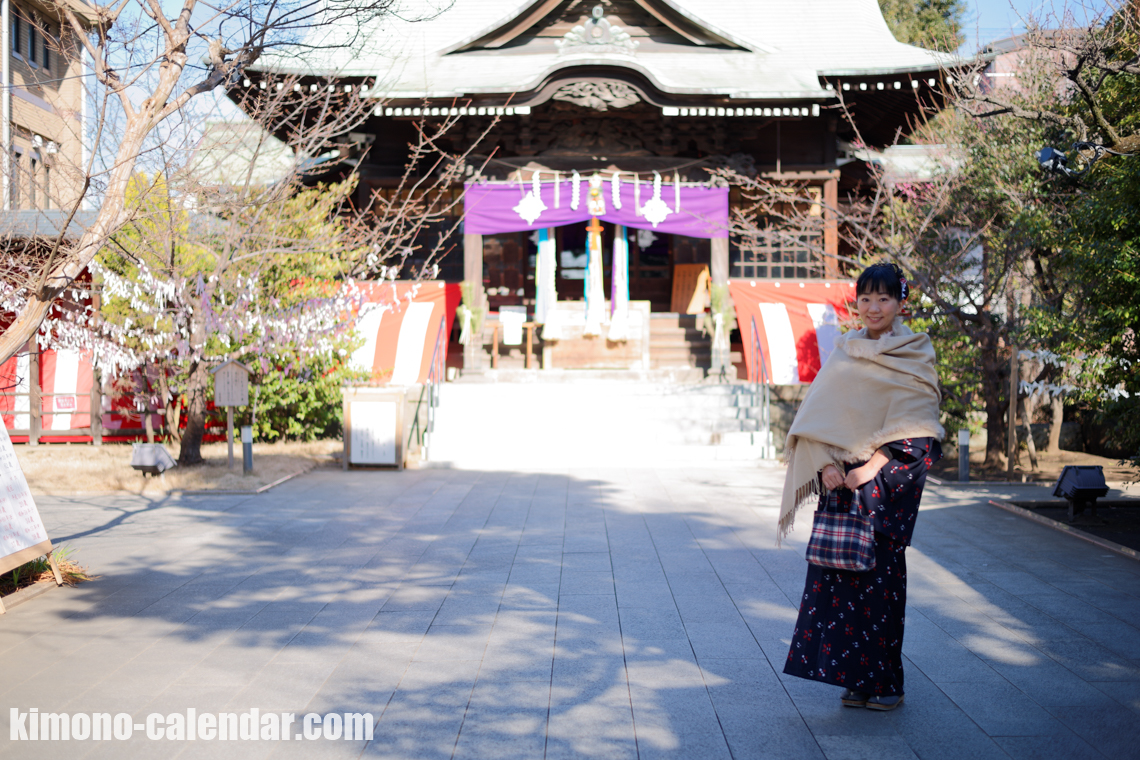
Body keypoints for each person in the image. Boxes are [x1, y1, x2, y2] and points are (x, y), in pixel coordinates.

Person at [779, 262, 943, 711]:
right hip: (839, 488)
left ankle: (887, 685)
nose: (873, 308)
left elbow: (920, 428)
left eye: (884, 299)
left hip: (881, 490)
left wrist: (872, 466)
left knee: (879, 592)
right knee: (838, 590)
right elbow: (816, 417)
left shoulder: (915, 351)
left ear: (901, 303)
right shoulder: (846, 351)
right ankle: (853, 680)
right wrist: (825, 466)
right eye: (866, 298)